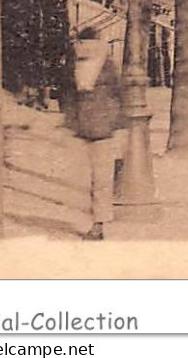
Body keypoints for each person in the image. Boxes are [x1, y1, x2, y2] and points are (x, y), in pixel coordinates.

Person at [64, 27, 124, 241]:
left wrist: (71, 122)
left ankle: (97, 224)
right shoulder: (104, 64)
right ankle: (97, 222)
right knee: (99, 179)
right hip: (96, 129)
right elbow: (119, 96)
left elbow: (70, 98)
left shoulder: (81, 65)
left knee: (95, 179)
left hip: (91, 129)